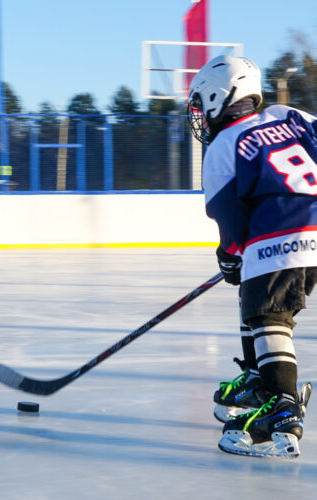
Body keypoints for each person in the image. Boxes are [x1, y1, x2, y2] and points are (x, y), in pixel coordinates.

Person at [187, 54, 317, 458]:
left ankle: (281, 410)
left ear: (217, 98)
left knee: (269, 317)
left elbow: (228, 216)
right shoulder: (290, 115)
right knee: (258, 303)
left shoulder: (225, 144)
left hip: (276, 233)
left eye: (200, 107)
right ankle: (260, 379)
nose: (200, 118)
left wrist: (229, 254)